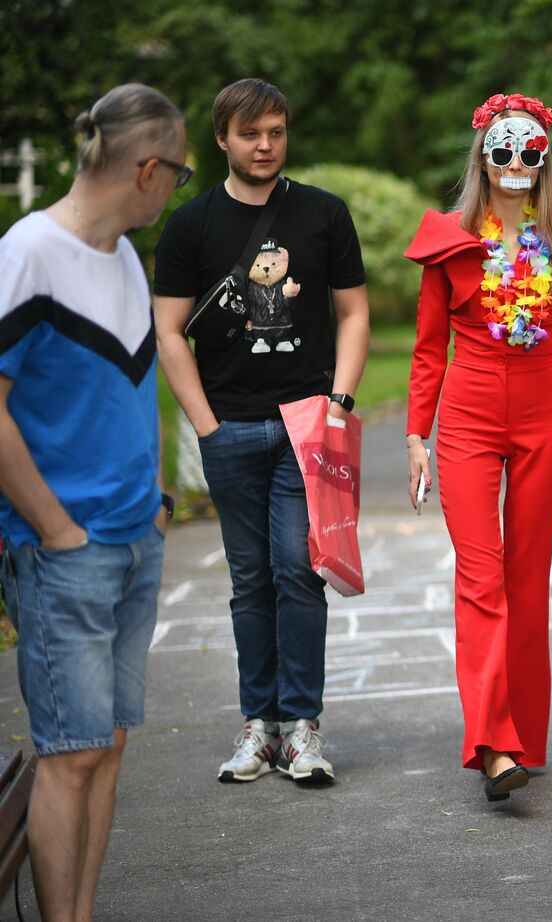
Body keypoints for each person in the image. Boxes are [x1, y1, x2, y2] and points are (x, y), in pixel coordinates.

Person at [404, 93, 552, 801]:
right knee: (480, 579)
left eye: (529, 151)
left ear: (544, 160)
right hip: (469, 417)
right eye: (502, 151)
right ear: (483, 155)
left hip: (544, 415)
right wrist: (417, 434)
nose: (515, 163)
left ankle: (525, 740)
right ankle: (492, 743)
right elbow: (425, 350)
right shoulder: (450, 238)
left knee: (527, 580)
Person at [0, 83, 183, 922]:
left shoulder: (123, 257)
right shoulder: (29, 252)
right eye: (178, 173)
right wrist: (56, 527)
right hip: (64, 553)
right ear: (147, 169)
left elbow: (130, 387)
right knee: (67, 757)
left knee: (103, 750)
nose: (176, 188)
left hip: (130, 540)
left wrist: (150, 501)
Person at [154, 78, 370, 785]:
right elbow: (169, 334)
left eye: (276, 131)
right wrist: (207, 428)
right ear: (222, 138)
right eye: (251, 134)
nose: (266, 145)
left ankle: (302, 727)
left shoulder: (323, 214)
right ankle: (260, 726)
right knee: (249, 582)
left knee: (298, 573)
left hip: (308, 425)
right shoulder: (189, 226)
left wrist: (338, 403)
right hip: (231, 429)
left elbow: (354, 314)